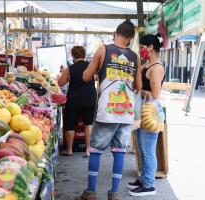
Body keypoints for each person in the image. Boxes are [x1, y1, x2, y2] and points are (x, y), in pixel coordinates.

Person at [75, 20, 142, 200]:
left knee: (96, 149)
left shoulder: (103, 50)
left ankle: (90, 192)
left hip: (107, 110)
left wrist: (100, 72)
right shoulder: (135, 57)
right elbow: (139, 85)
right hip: (125, 111)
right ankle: (114, 193)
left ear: (115, 33)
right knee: (119, 151)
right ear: (129, 39)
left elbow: (85, 76)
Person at [128, 33, 165, 197]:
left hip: (150, 111)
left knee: (148, 150)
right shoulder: (145, 66)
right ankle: (144, 179)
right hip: (140, 110)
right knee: (141, 149)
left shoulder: (156, 68)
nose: (141, 50)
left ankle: (149, 185)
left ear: (151, 48)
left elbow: (155, 94)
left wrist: (136, 90)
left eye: (143, 48)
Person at [58, 46, 97, 157]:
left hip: (74, 99)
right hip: (89, 98)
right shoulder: (91, 67)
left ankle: (69, 150)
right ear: (84, 55)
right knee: (88, 123)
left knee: (70, 124)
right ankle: (88, 149)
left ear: (73, 55)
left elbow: (60, 83)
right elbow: (96, 78)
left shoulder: (70, 69)